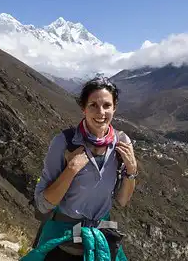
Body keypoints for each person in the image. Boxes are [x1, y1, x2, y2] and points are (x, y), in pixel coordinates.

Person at [22, 76, 138, 261]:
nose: (101, 112)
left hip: (99, 243)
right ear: (83, 108)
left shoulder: (122, 143)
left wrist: (131, 170)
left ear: (114, 107)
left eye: (107, 105)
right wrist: (71, 169)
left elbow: (122, 200)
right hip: (62, 244)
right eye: (93, 105)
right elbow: (43, 203)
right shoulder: (64, 142)